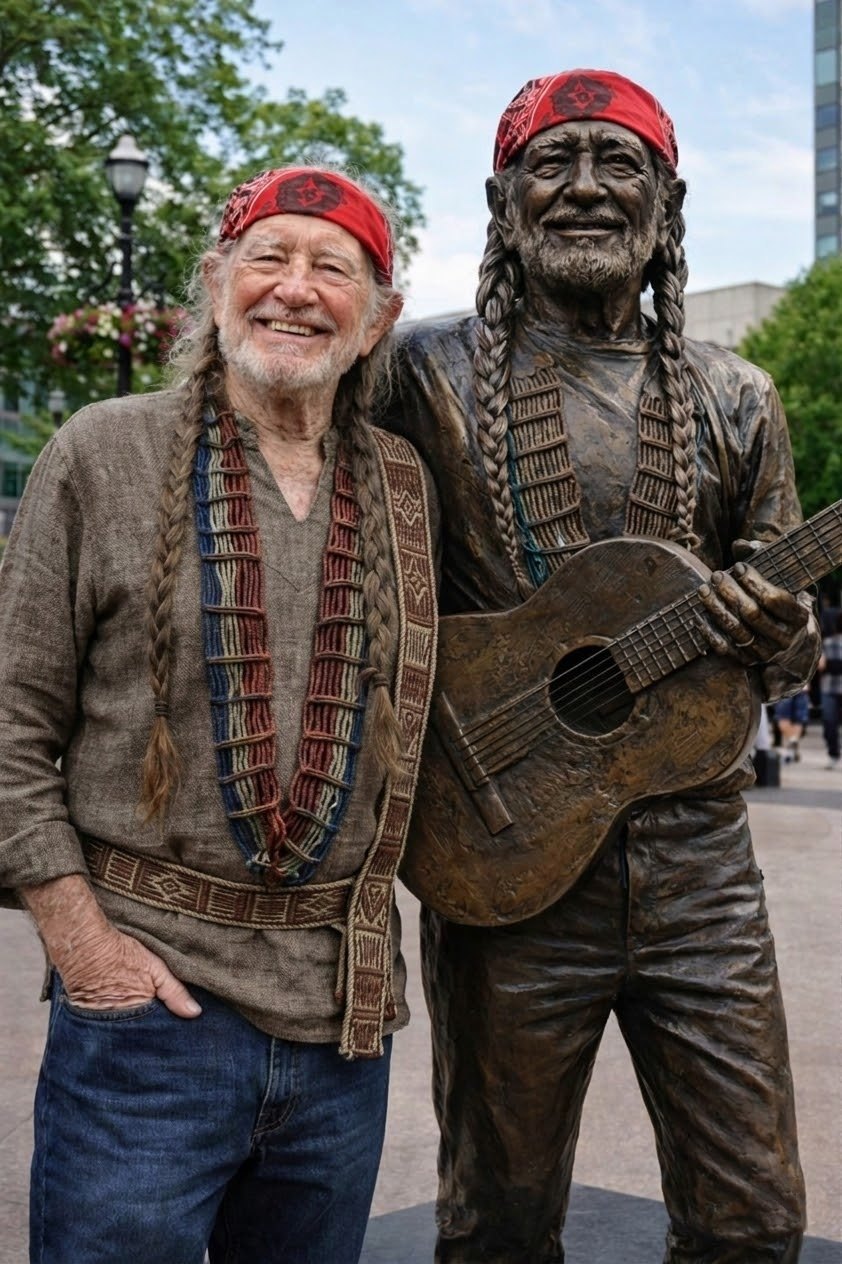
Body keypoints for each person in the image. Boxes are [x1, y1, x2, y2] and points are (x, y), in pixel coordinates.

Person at [388, 71, 820, 1263]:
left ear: (666, 202)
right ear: (500, 195)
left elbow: (784, 660)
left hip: (696, 867)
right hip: (506, 859)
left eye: (617, 163)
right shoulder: (417, 377)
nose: (583, 187)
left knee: (753, 1219)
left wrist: (773, 633)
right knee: (499, 1219)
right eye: (553, 160)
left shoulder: (736, 396)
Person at [0, 164, 438, 1264]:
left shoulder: (405, 486)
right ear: (215, 283)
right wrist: (86, 951)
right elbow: (9, 726)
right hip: (147, 1020)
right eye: (266, 259)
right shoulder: (101, 453)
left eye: (330, 269)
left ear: (377, 317)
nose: (293, 290)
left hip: (341, 1036)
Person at [819, 610, 842, 769]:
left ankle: (833, 754)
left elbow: (821, 666)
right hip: (830, 688)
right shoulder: (827, 643)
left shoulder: (826, 643)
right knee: (830, 723)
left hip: (829, 688)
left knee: (829, 723)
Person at [774, 688, 810, 762]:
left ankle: (791, 744)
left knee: (783, 718)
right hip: (800, 686)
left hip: (785, 687)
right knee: (798, 720)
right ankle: (792, 742)